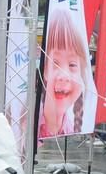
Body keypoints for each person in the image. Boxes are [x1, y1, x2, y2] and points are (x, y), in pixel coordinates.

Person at [38, 9, 90, 138]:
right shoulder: (26, 124)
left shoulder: (69, 128)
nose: (64, 76)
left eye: (72, 65)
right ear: (45, 70)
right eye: (55, 63)